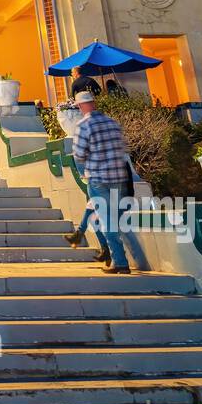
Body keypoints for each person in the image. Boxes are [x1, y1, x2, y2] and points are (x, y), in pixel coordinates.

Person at [65, 91, 136, 274]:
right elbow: (123, 148)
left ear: (80, 106)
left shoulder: (83, 125)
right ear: (94, 103)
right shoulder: (113, 123)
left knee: (106, 221)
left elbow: (79, 155)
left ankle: (120, 262)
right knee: (100, 218)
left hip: (98, 179)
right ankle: (104, 250)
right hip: (119, 178)